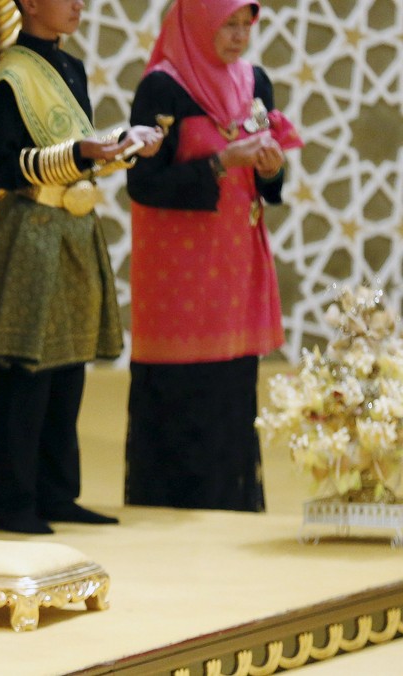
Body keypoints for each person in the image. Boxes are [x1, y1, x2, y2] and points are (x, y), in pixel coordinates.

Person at [0, 0, 163, 534]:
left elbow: (81, 154)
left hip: (75, 229)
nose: (79, 4)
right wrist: (82, 153)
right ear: (30, 4)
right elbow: (2, 168)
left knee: (68, 360)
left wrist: (122, 147)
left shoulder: (72, 67)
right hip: (34, 228)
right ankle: (13, 500)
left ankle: (57, 492)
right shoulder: (10, 77)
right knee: (25, 363)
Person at [125, 0, 300, 511]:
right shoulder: (162, 87)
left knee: (232, 388)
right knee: (183, 390)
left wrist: (269, 168)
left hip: (236, 265)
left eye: (246, 26)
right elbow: (144, 183)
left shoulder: (255, 83)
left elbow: (270, 184)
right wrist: (222, 161)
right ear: (198, 21)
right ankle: (172, 506)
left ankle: (233, 504)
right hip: (178, 276)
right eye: (229, 24)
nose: (239, 37)